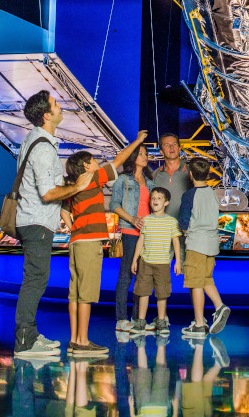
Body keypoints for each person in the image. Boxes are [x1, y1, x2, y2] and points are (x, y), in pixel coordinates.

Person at [13, 90, 98, 359]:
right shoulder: (42, 147)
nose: (61, 106)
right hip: (36, 223)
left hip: (36, 220)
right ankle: (24, 342)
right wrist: (77, 187)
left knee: (36, 278)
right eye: (56, 104)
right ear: (47, 115)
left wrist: (62, 209)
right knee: (35, 280)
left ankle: (30, 334)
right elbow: (47, 192)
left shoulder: (34, 141)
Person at [62, 130, 147, 356]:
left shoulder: (72, 184)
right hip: (89, 242)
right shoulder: (91, 178)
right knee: (87, 293)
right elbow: (118, 160)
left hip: (76, 241)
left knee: (75, 292)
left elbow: (64, 212)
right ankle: (82, 342)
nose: (96, 162)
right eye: (92, 160)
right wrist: (137, 141)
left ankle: (73, 340)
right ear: (86, 166)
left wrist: (75, 229)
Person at [178, 156, 230, 337]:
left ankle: (199, 324)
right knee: (206, 279)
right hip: (211, 244)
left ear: (189, 173)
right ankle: (220, 307)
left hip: (196, 244)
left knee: (196, 283)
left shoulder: (189, 195)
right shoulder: (213, 194)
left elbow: (183, 222)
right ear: (207, 174)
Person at [110, 143, 151, 330]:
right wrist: (132, 219)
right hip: (129, 231)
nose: (145, 157)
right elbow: (114, 205)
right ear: (133, 157)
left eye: (146, 154)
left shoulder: (150, 183)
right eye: (141, 154)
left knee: (143, 277)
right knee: (126, 275)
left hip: (148, 234)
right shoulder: (123, 180)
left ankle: (137, 318)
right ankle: (121, 318)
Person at [132, 187, 182, 336]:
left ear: (166, 202)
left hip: (163, 264)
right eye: (153, 198)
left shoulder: (172, 221)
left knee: (162, 293)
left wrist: (177, 261)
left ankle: (161, 321)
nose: (155, 201)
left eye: (159, 199)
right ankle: (141, 322)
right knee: (143, 292)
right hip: (145, 262)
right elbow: (140, 241)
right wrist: (135, 260)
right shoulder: (145, 220)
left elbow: (176, 242)